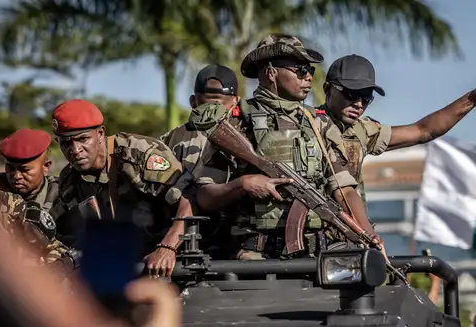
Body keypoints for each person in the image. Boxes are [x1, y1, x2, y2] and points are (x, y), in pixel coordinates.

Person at [194, 34, 380, 260]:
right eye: (300, 70)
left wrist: (368, 235)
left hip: (313, 256)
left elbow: (344, 189)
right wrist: (243, 184)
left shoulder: (317, 122)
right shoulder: (236, 122)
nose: (309, 77)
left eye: (310, 71)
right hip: (255, 255)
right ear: (271, 72)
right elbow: (204, 196)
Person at [318, 54, 476, 204]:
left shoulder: (362, 131)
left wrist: (472, 99)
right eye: (351, 94)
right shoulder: (308, 126)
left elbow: (423, 131)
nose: (359, 104)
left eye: (366, 98)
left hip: (348, 233)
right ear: (328, 90)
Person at [49, 99, 192, 277]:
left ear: (100, 133)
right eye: (65, 143)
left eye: (82, 139)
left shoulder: (138, 154)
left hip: (177, 252)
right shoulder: (69, 180)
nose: (75, 150)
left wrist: (167, 247)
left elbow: (191, 197)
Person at [160, 64, 244, 255]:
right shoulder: (249, 134)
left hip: (184, 236)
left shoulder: (171, 137)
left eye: (218, 104)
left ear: (193, 101)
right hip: (223, 238)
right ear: (236, 101)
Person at [0, 188, 71, 267]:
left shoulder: (17, 208)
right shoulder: (13, 206)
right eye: (31, 231)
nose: (33, 239)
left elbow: (58, 249)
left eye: (37, 237)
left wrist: (51, 266)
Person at [0, 129, 58, 210]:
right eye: (10, 168)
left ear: (45, 167)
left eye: (25, 170)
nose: (16, 176)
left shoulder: (62, 194)